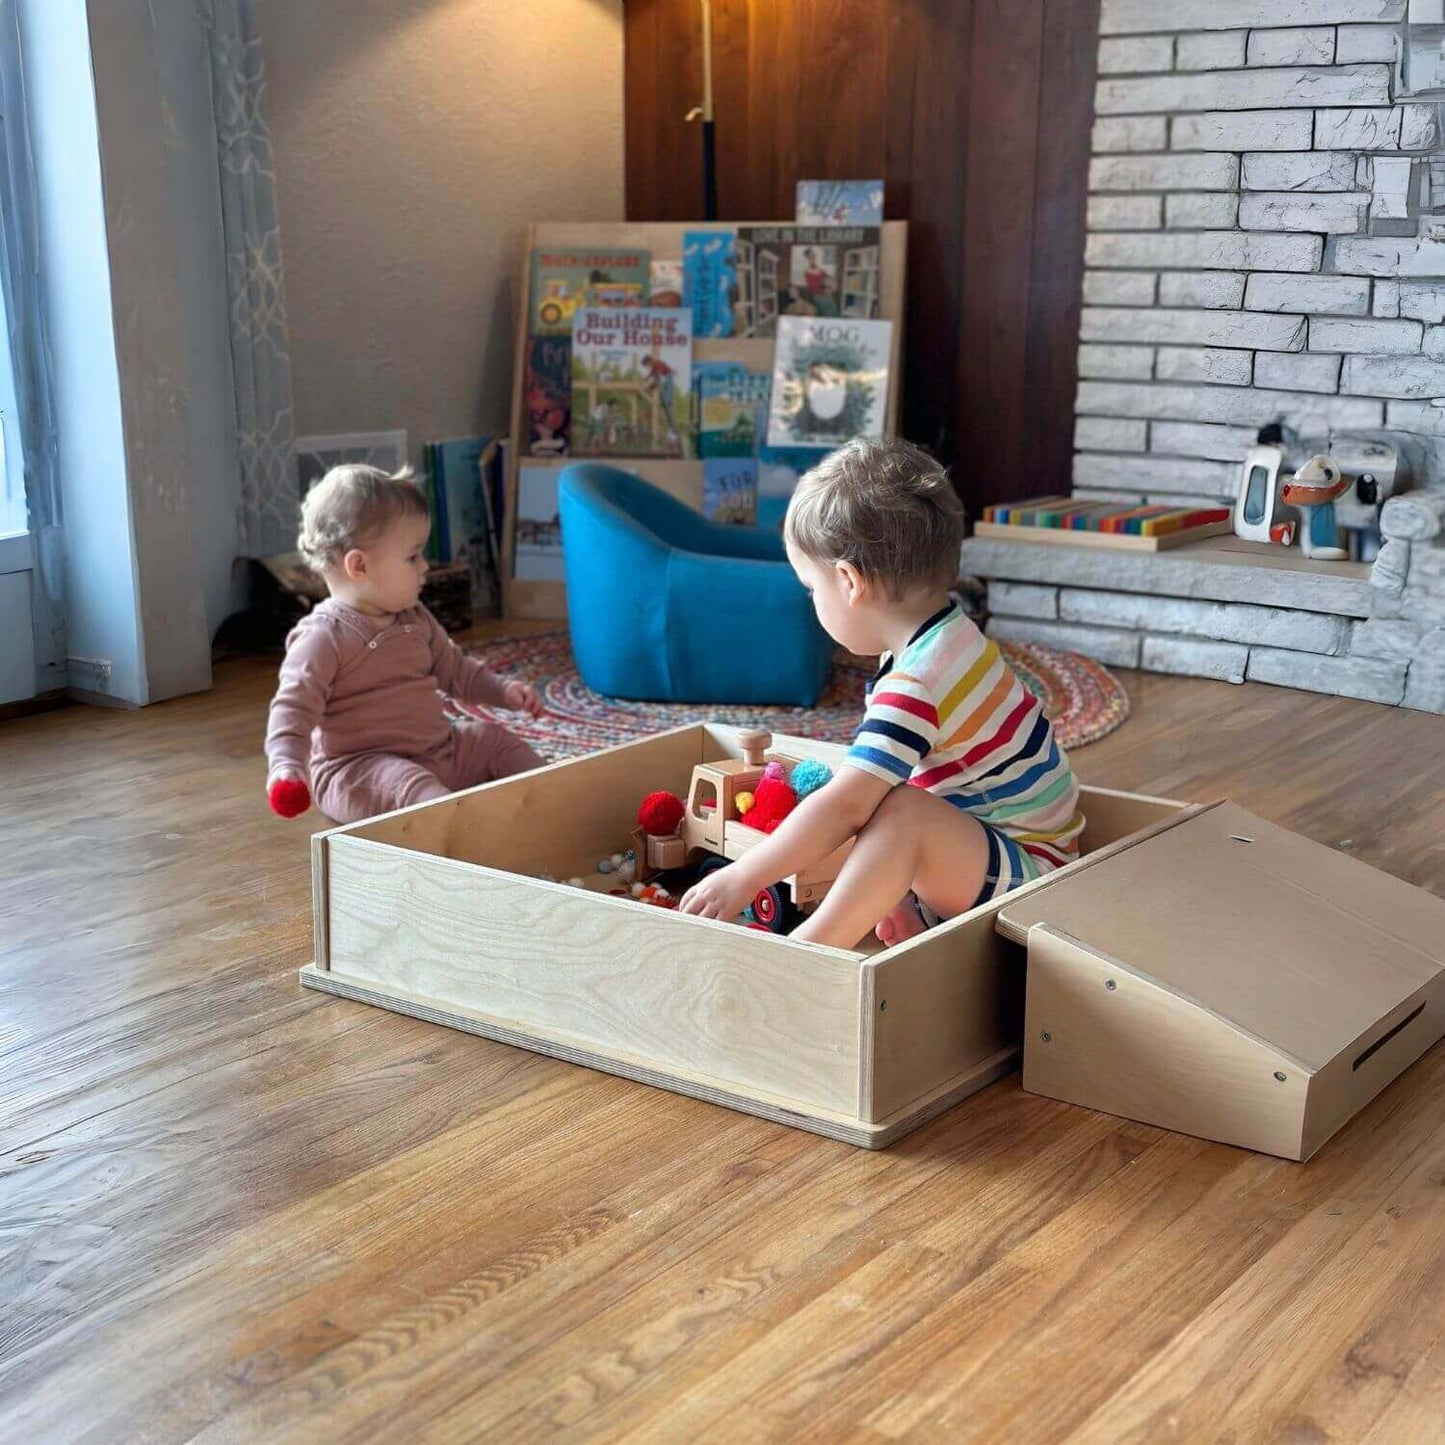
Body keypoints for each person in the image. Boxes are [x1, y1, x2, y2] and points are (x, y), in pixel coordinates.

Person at [679, 437, 1084, 949]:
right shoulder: (950, 633)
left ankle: (809, 952)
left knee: (889, 809)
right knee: (881, 787)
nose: (814, 603)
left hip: (1031, 882)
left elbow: (845, 807)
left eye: (812, 589)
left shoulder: (916, 683)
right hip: (1013, 851)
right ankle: (910, 909)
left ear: (849, 582)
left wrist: (745, 875)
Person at [264, 465, 546, 823]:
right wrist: (287, 767)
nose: (425, 566)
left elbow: (456, 671)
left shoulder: (414, 616)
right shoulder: (323, 638)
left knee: (492, 739)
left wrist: (503, 692)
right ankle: (464, 836)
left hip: (439, 753)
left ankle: (553, 797)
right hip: (361, 773)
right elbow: (293, 709)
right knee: (413, 786)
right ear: (360, 565)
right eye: (413, 556)